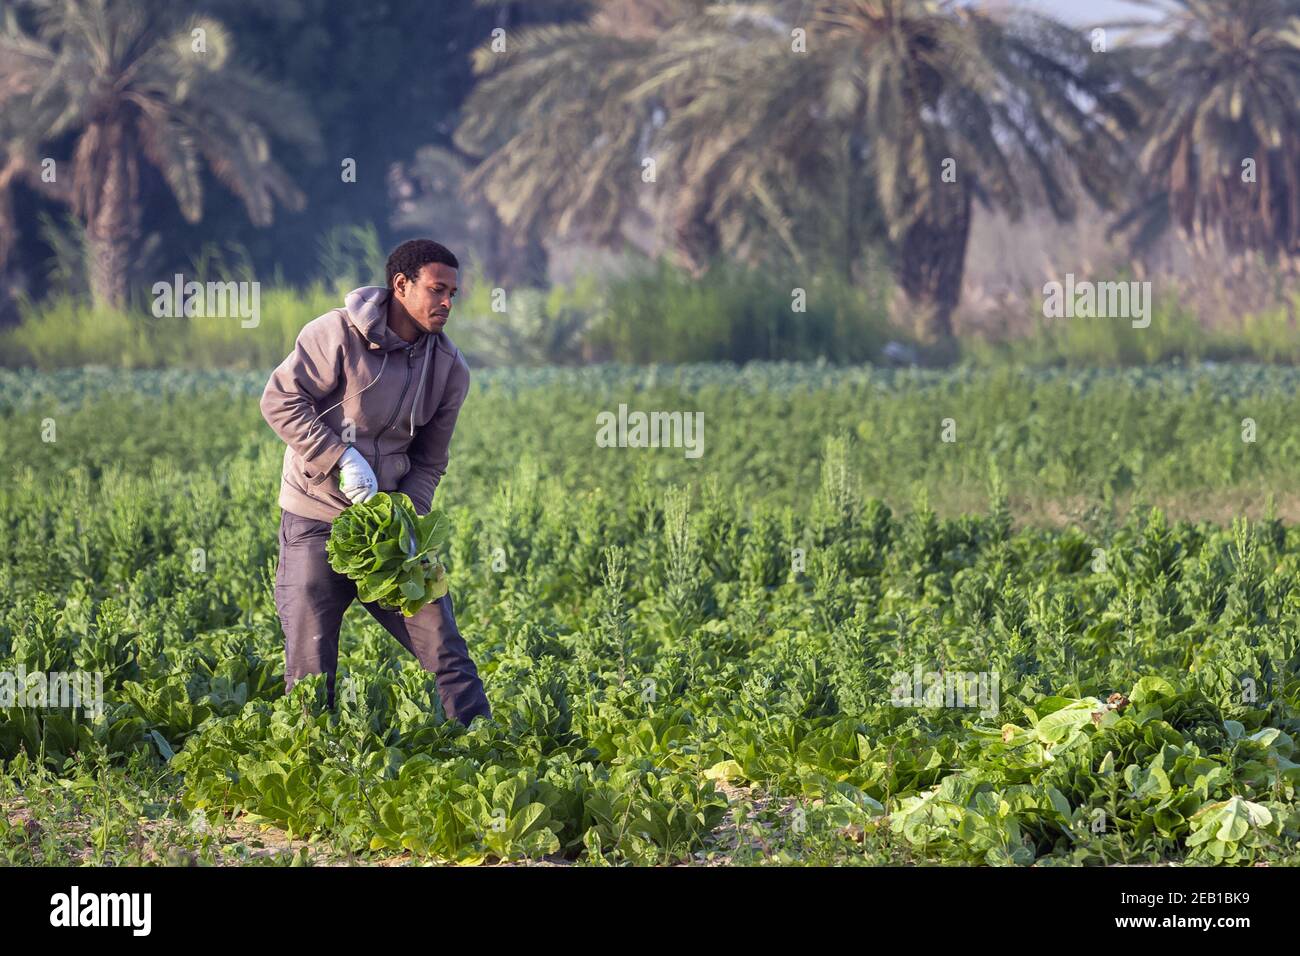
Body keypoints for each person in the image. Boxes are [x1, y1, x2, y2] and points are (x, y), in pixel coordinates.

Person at [259, 238, 491, 725]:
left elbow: (430, 461)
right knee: (310, 660)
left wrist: (402, 516)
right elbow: (280, 400)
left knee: (443, 645)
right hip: (315, 516)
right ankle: (310, 761)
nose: (447, 303)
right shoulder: (335, 334)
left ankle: (483, 743)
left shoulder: (449, 369)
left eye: (454, 293)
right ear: (401, 285)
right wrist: (339, 455)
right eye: (436, 290)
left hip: (388, 532)